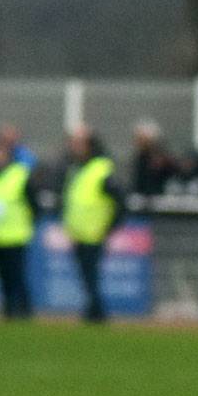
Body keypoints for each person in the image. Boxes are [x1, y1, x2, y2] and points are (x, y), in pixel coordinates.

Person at [62, 125, 125, 323]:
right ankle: (93, 310)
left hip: (94, 232)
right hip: (78, 232)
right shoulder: (75, 168)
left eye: (78, 143)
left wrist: (110, 226)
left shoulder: (100, 169)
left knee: (91, 274)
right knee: (85, 275)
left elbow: (119, 200)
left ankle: (96, 312)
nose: (74, 147)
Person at [0, 126, 36, 318]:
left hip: (16, 234)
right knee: (2, 276)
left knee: (17, 275)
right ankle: (8, 309)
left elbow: (33, 203)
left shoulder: (20, 174)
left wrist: (28, 221)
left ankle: (23, 310)